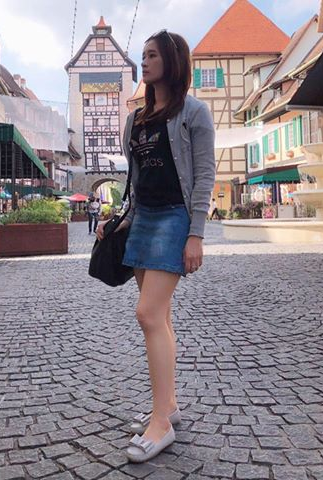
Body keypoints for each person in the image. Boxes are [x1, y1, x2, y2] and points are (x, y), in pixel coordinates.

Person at [96, 30, 215, 462]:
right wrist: (121, 219)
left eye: (152, 55)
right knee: (160, 316)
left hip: (174, 218)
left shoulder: (194, 113)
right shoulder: (135, 120)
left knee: (146, 313)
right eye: (142, 55)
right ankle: (168, 406)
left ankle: (161, 423)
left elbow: (204, 176)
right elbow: (137, 181)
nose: (143, 62)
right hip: (143, 219)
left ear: (172, 60)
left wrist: (196, 233)